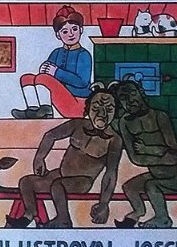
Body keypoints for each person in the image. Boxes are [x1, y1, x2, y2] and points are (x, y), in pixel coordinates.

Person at [7, 89, 123, 228]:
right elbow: (50, 135)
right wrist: (39, 158)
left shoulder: (115, 140)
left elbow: (110, 173)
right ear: (88, 108)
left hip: (83, 181)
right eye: (96, 108)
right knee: (26, 182)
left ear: (115, 112)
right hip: (61, 173)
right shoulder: (78, 125)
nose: (101, 114)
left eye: (108, 110)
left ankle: (64, 220)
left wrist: (104, 203)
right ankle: (29, 214)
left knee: (58, 185)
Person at [113, 79, 177, 229]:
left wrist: (147, 150)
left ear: (141, 93)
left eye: (133, 94)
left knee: (151, 186)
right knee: (129, 187)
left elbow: (175, 156)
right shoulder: (125, 122)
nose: (129, 100)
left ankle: (163, 218)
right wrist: (162, 155)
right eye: (123, 98)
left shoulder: (160, 116)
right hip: (156, 175)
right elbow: (136, 159)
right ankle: (138, 211)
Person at [12, 6, 93, 119]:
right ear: (58, 35)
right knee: (27, 78)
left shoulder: (83, 54)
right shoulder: (56, 52)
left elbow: (82, 82)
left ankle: (46, 111)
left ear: (81, 30)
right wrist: (44, 69)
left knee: (43, 79)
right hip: (60, 98)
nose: (71, 34)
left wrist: (56, 72)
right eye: (65, 31)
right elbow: (47, 72)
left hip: (79, 102)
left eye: (74, 29)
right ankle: (33, 110)